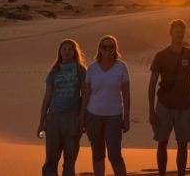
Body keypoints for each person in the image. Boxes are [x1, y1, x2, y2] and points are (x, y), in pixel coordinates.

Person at [148, 19, 190, 176]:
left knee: (183, 144)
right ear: (170, 33)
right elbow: (152, 84)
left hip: (184, 106)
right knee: (162, 142)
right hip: (164, 105)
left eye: (181, 32)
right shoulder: (161, 56)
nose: (179, 34)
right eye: (176, 31)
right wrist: (151, 111)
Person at [81, 35, 130, 176]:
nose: (107, 49)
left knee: (114, 155)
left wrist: (126, 118)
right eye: (104, 47)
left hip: (114, 117)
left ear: (115, 49)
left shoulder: (121, 67)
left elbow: (126, 95)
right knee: (97, 154)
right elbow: (86, 95)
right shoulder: (92, 68)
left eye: (110, 47)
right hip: (93, 116)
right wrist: (82, 117)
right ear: (99, 49)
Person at [38, 39, 87, 176]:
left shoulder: (81, 70)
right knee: (51, 159)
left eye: (70, 49)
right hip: (54, 118)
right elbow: (47, 97)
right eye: (64, 49)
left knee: (70, 159)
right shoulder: (54, 70)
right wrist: (41, 123)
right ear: (60, 52)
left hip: (72, 118)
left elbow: (85, 96)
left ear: (75, 52)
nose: (67, 52)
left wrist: (82, 119)